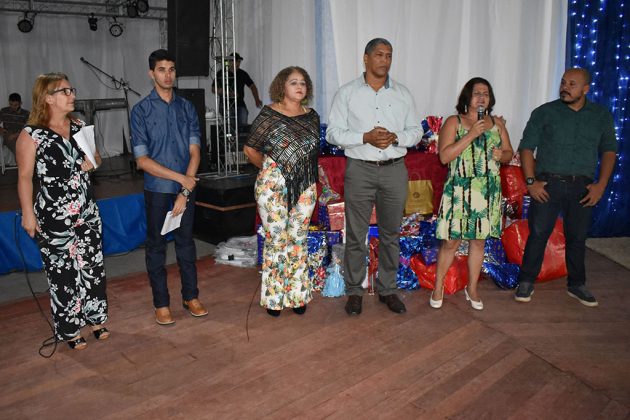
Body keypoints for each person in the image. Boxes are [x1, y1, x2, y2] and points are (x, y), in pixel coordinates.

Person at [327, 38, 422, 316]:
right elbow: (333, 133)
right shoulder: (347, 93)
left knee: (391, 233)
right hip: (360, 169)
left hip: (394, 169)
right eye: (379, 55)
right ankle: (354, 291)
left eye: (389, 55)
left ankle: (388, 289)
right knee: (356, 234)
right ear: (366, 58)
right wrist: (364, 137)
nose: (385, 60)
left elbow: (416, 131)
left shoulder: (403, 94)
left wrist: (396, 137)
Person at [16, 73, 108, 350]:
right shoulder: (31, 135)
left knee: (92, 267)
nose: (72, 95)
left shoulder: (79, 126)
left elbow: (97, 157)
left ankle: (96, 319)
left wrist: (92, 163)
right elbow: (24, 177)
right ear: (48, 98)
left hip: (87, 212)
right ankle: (69, 329)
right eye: (64, 91)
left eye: (71, 90)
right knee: (62, 273)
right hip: (54, 215)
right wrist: (27, 214)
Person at [514, 67, 617, 307]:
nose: (565, 88)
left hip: (583, 186)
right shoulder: (544, 112)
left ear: (586, 89)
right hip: (548, 184)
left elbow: (609, 151)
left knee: (577, 237)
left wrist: (601, 185)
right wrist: (531, 182)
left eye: (572, 84)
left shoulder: (600, 116)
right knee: (538, 234)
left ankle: (577, 284)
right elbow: (526, 147)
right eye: (563, 83)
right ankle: (526, 281)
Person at [131, 49, 207, 325]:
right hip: (158, 190)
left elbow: (195, 152)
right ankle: (161, 303)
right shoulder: (140, 111)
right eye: (162, 69)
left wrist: (185, 190)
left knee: (186, 244)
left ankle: (191, 296)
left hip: (186, 189)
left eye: (171, 69)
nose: (168, 75)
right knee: (156, 247)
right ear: (151, 73)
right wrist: (181, 180)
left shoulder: (187, 107)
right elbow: (142, 161)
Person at [243, 66, 319, 317]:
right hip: (272, 186)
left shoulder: (312, 117)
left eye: (303, 83)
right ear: (282, 86)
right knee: (276, 240)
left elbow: (311, 154)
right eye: (293, 82)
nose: (299, 87)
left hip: (306, 186)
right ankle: (274, 298)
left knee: (298, 239)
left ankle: (297, 296)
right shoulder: (269, 114)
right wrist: (270, 169)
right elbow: (250, 149)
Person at [432, 78, 513, 311]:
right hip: (459, 190)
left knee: (478, 241)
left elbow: (509, 153)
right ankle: (438, 287)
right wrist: (470, 135)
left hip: (487, 192)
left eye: (486, 94)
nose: (481, 97)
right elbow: (444, 157)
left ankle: (473, 288)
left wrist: (502, 155)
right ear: (467, 97)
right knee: (451, 241)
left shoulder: (497, 124)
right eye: (477, 93)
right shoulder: (454, 122)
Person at [212, 52, 263, 130]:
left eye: (239, 61)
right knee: (231, 128)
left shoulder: (242, 74)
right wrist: (227, 93)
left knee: (243, 125)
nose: (238, 63)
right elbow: (213, 89)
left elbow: (252, 86)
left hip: (240, 103)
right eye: (236, 61)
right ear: (230, 62)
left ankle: (241, 137)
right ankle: (232, 136)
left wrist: (257, 99)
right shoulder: (221, 73)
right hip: (226, 105)